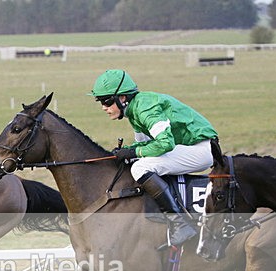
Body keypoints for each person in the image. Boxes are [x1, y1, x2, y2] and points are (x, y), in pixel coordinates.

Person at [89, 69, 219, 246]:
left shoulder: (145, 108)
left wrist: (133, 153)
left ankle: (179, 224)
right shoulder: (134, 111)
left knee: (140, 167)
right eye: (101, 102)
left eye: (107, 101)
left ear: (122, 98)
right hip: (188, 147)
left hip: (202, 149)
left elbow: (165, 143)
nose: (104, 107)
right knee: (137, 162)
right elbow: (144, 146)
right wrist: (126, 151)